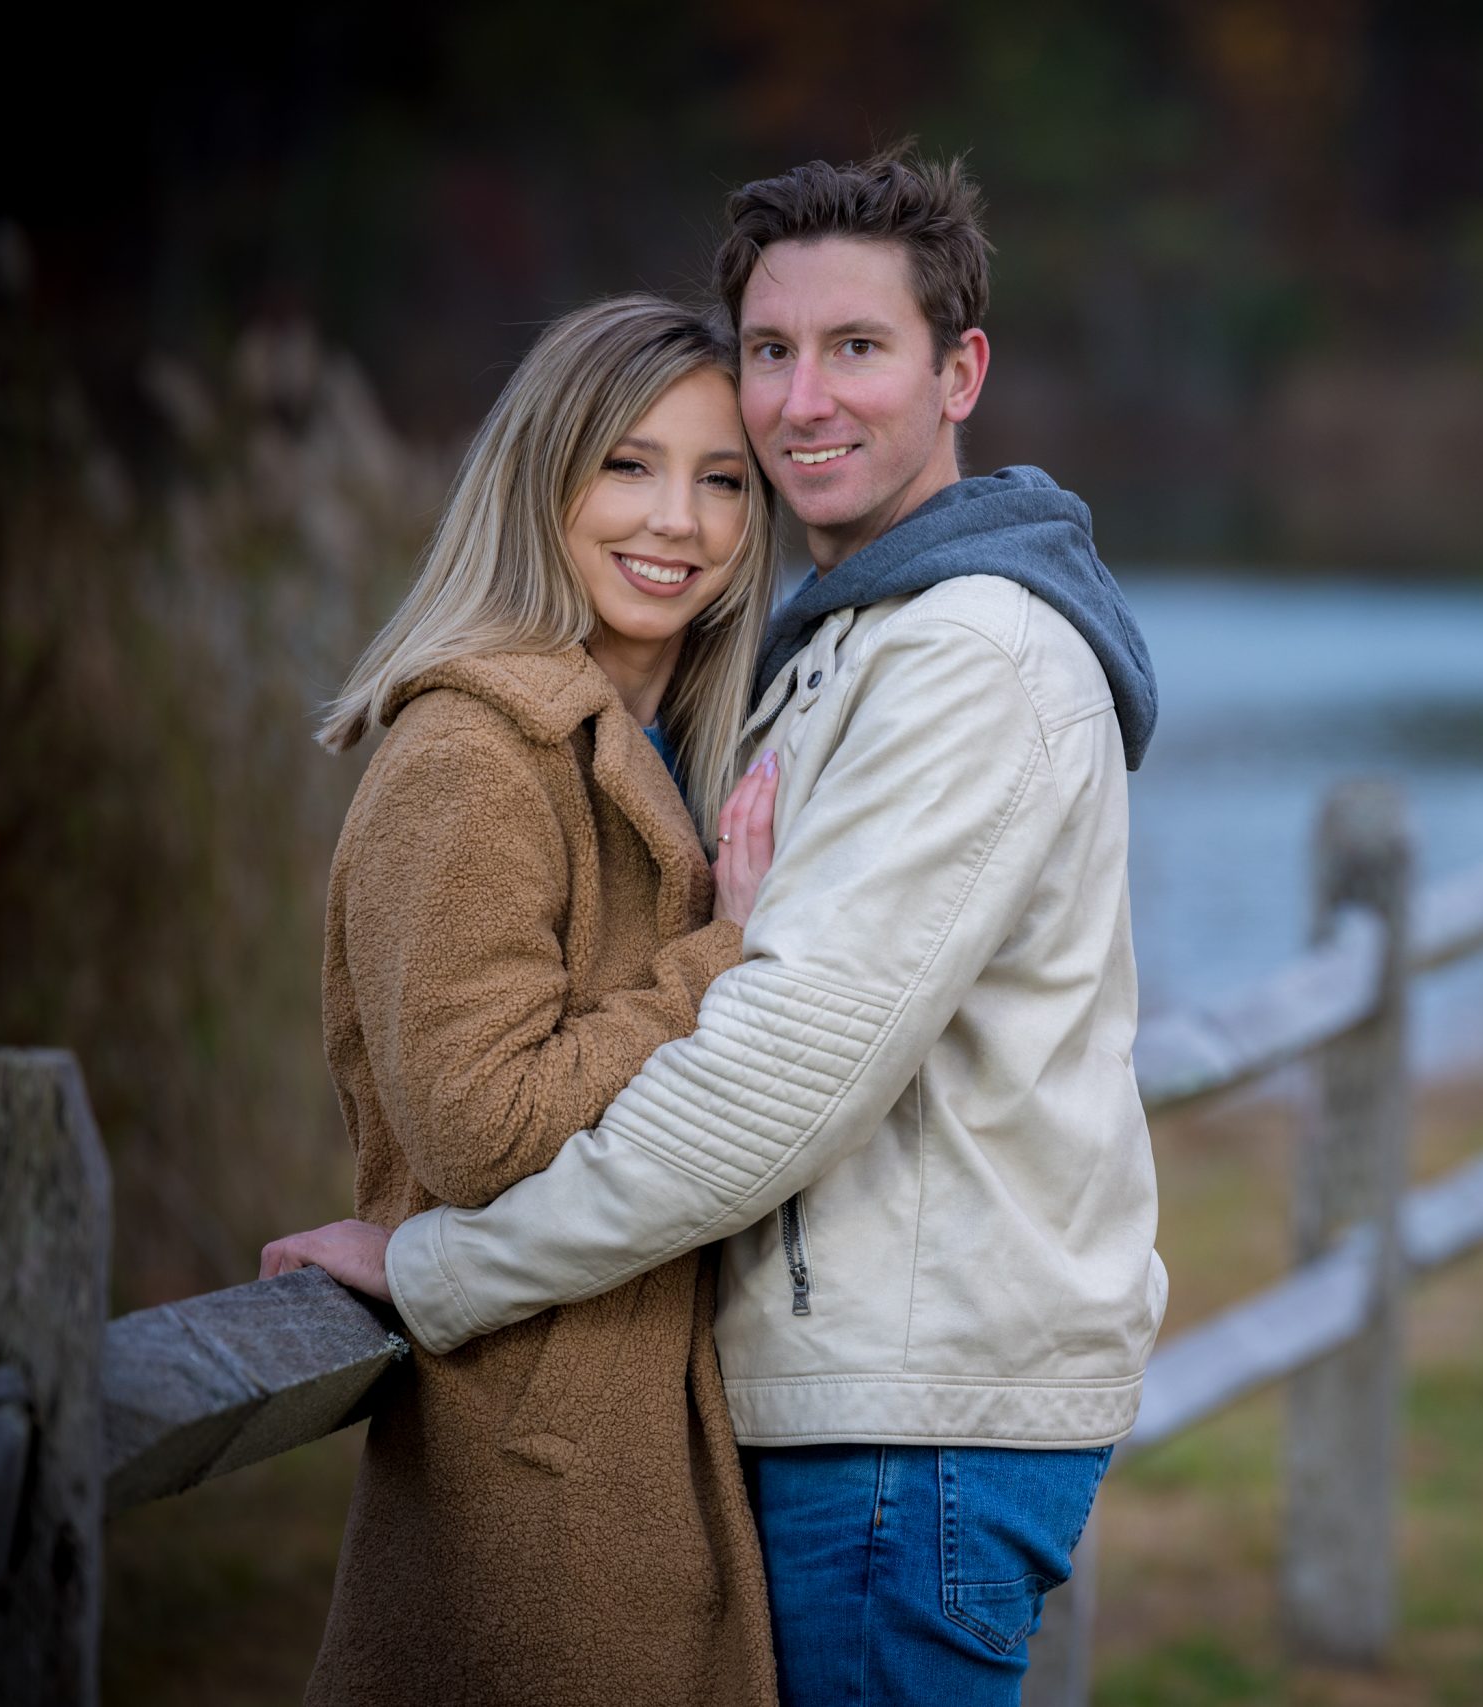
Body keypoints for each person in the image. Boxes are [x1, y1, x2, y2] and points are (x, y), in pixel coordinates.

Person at [268, 148, 1169, 1705]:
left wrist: (439, 1272)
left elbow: (774, 1082)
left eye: (859, 349)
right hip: (847, 1409)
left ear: (961, 372)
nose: (803, 399)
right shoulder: (833, 648)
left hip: (903, 1431)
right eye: (773, 351)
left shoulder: (965, 662)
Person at [267, 294, 786, 1706]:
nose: (676, 518)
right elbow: (481, 1125)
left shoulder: (682, 747)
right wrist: (726, 949)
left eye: (723, 478)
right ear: (540, 476)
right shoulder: (472, 756)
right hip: (535, 1462)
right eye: (628, 464)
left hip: (655, 1430)